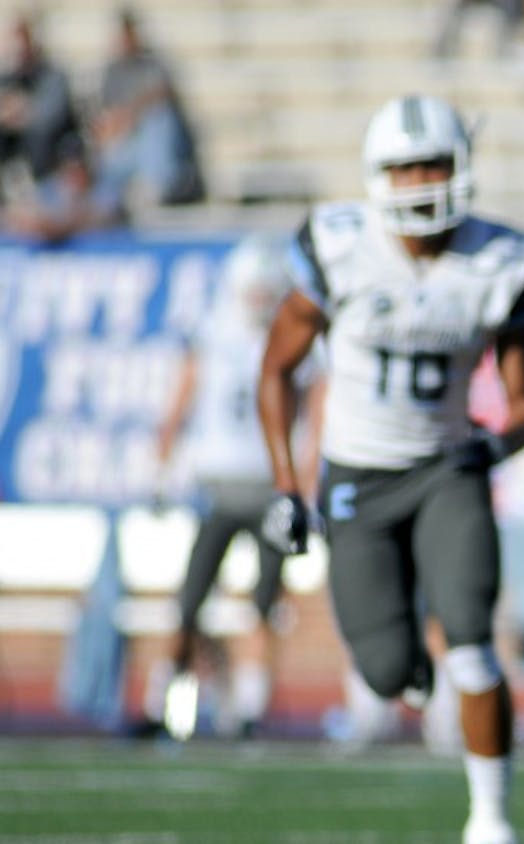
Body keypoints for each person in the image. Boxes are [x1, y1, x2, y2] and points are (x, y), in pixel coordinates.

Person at [258, 94, 524, 844]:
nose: (420, 181)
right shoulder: (341, 245)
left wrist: (497, 444)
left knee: (474, 641)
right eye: (404, 167)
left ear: (462, 167)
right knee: (386, 672)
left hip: (447, 467)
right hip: (357, 474)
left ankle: (491, 820)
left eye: (434, 164)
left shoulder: (501, 260)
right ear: (375, 176)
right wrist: (287, 485)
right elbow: (275, 371)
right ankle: (407, 671)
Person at [144, 233, 319, 740]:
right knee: (189, 600)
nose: (260, 303)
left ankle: (249, 708)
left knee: (264, 602)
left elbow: (311, 408)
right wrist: (162, 461)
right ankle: (168, 702)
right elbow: (183, 394)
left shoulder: (292, 335)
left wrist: (304, 480)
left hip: (270, 488)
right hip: (218, 486)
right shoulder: (213, 331)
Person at [94, 7, 204, 207]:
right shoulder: (112, 72)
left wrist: (131, 113)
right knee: (106, 146)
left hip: (157, 147)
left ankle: (155, 188)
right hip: (127, 145)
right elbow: (107, 118)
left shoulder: (154, 64)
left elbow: (162, 96)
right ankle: (108, 198)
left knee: (158, 120)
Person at [0, 13, 79, 207]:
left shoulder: (53, 74)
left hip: (51, 147)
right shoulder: (3, 76)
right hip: (13, 147)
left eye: (23, 41)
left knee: (38, 132)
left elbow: (51, 115)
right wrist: (8, 111)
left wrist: (22, 111)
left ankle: (43, 193)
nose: (19, 48)